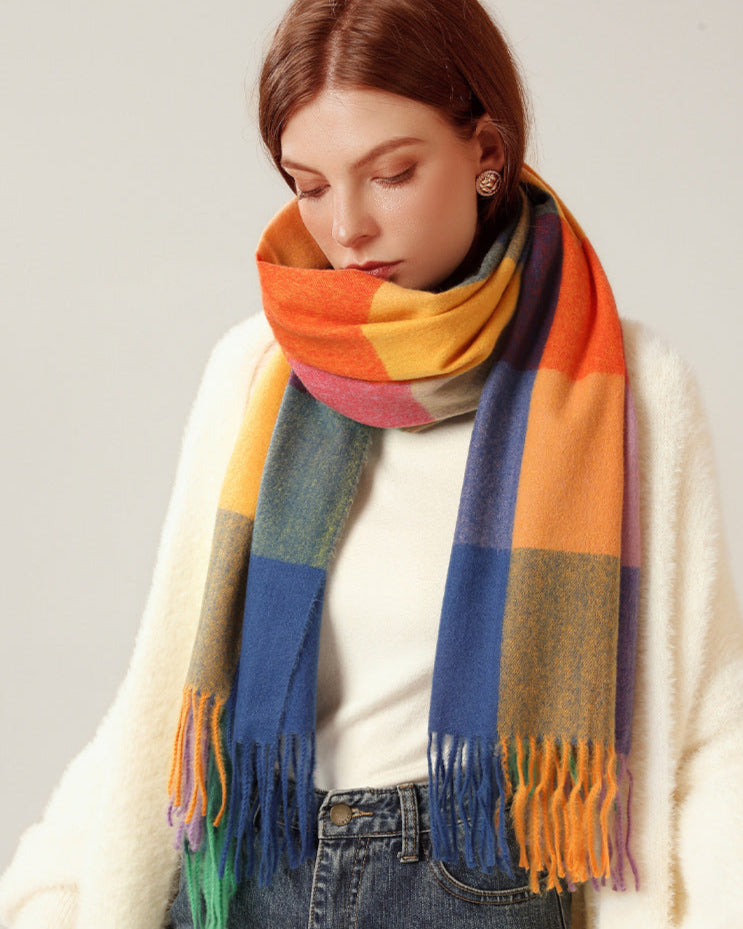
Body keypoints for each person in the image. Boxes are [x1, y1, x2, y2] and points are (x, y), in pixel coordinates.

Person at [1, 0, 742, 927]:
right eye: (308, 184)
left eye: (389, 173)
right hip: (252, 861)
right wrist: (58, 892)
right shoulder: (258, 371)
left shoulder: (626, 394)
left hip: (476, 885)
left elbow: (715, 730)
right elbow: (168, 675)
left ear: (485, 152)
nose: (344, 227)